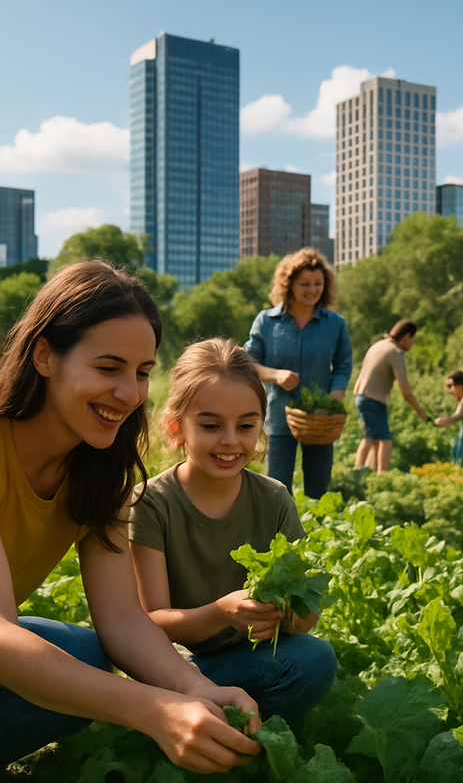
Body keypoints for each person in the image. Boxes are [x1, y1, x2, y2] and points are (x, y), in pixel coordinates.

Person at [0, 262, 261, 773]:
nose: (129, 393)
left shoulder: (102, 467)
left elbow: (121, 615)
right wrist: (152, 710)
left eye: (142, 372)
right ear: (45, 355)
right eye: (108, 367)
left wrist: (198, 690)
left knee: (86, 653)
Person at [129, 338, 337, 726]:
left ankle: (250, 734)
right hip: (175, 665)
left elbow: (307, 616)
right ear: (176, 427)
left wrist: (282, 617)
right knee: (169, 686)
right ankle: (199, 722)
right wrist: (223, 613)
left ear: (261, 426)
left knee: (315, 659)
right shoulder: (151, 503)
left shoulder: (274, 498)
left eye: (246, 426)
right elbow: (150, 621)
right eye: (210, 425)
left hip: (253, 658)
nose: (230, 440)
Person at [244, 249, 352, 499]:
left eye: (318, 284)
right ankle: (281, 535)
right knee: (277, 489)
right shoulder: (267, 321)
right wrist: (275, 374)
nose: (312, 290)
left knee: (319, 488)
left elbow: (343, 364)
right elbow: (248, 362)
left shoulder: (335, 323)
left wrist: (335, 394)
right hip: (280, 415)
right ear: (288, 284)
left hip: (320, 420)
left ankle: (316, 534)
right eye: (305, 284)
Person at [353, 319, 429, 473]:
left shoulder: (378, 345)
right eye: (413, 339)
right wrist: (422, 413)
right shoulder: (395, 352)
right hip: (373, 400)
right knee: (385, 440)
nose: (412, 344)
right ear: (407, 336)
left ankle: (360, 474)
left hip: (360, 397)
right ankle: (382, 477)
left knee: (370, 438)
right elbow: (406, 391)